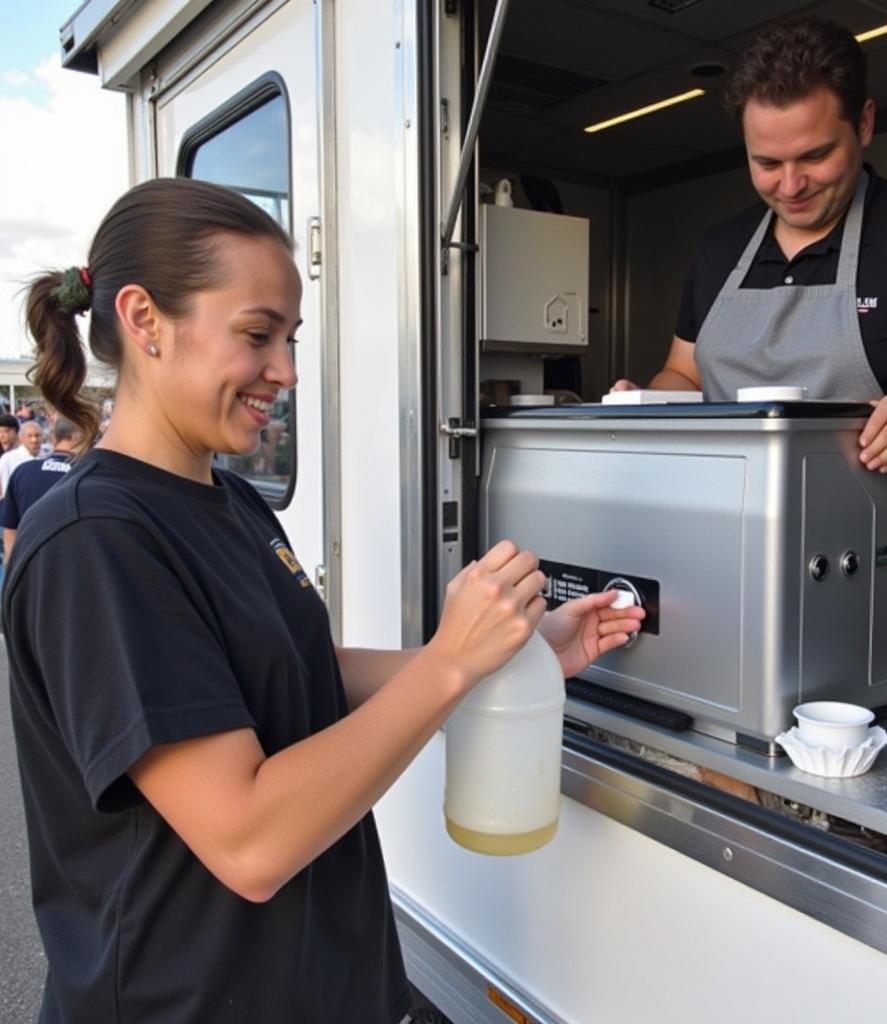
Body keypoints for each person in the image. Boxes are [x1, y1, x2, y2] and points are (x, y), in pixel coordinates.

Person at [4, 177, 644, 1024]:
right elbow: (249, 839)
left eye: (292, 338)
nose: (287, 370)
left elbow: (294, 672)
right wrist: (449, 665)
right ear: (144, 319)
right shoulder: (94, 541)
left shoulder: (230, 503)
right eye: (257, 335)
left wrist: (509, 656)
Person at [612, 16, 887, 477]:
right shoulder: (720, 248)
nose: (791, 186)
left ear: (865, 123)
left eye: (815, 156)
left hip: (869, 531)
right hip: (720, 517)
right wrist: (648, 400)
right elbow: (685, 374)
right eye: (767, 162)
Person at [2, 417, 82, 560]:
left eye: (37, 435)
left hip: (28, 564)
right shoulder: (87, 474)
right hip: (69, 565)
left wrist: (12, 572)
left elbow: (10, 530)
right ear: (78, 437)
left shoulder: (23, 471)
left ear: (52, 438)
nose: (34, 440)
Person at [0, 419, 43, 495]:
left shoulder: (48, 456)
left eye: (37, 435)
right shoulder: (8, 459)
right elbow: (5, 491)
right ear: (21, 438)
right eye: (29, 436)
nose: (34, 440)